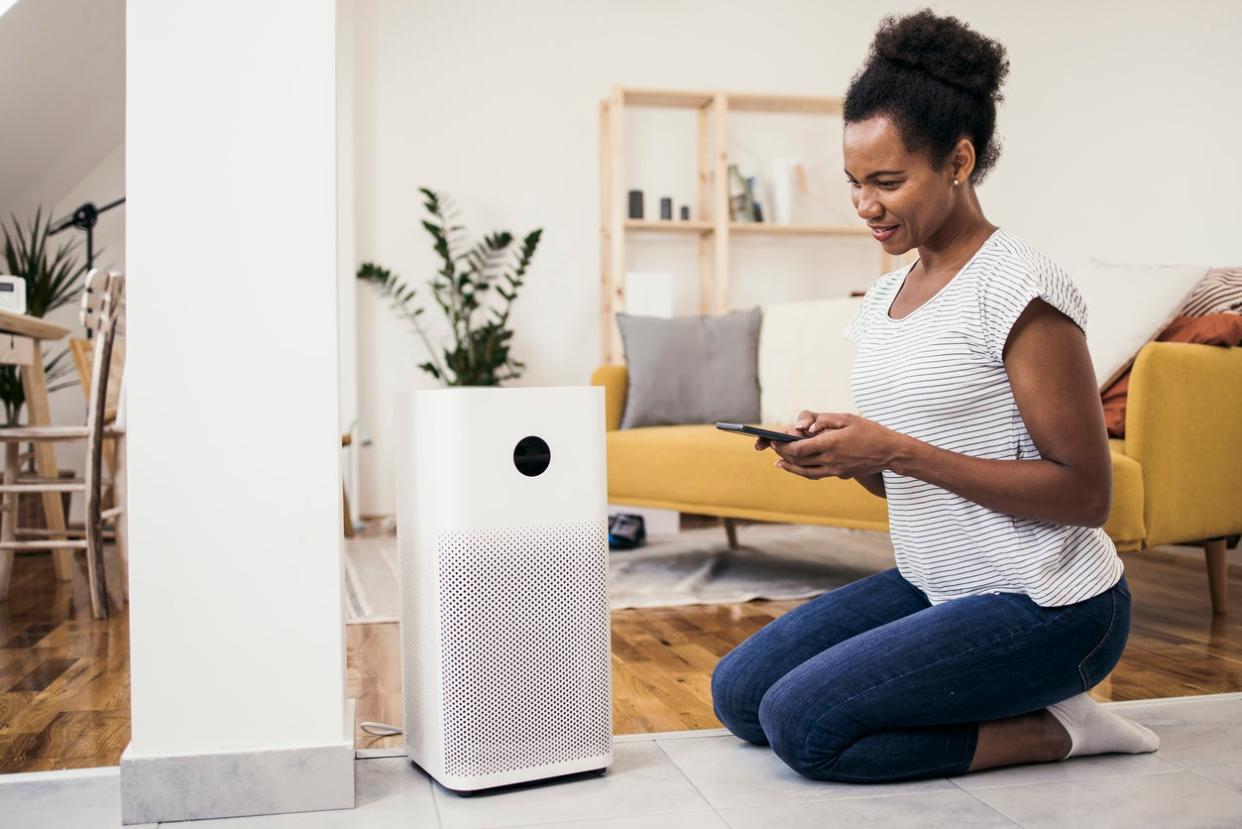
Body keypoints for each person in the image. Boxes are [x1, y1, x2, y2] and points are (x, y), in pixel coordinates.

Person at [710, 8, 1160, 784]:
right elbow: (911, 477)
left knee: (803, 727)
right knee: (741, 694)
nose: (866, 205)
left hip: (1050, 604)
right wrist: (847, 456)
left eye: (888, 181)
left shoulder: (1021, 289)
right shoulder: (889, 299)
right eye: (855, 183)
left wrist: (892, 446)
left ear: (959, 160)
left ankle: (1059, 729)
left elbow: (1087, 494)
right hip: (938, 583)